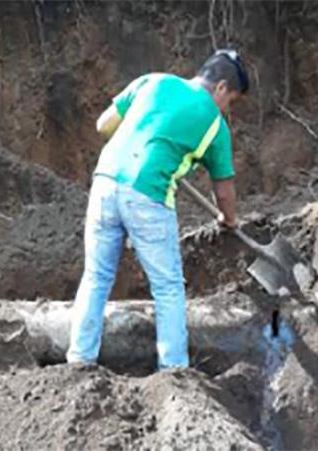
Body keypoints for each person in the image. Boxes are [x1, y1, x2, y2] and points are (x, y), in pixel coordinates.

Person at [66, 49, 249, 370]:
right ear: (220, 87)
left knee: (96, 276)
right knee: (167, 287)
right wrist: (229, 219)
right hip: (148, 195)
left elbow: (103, 125)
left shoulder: (153, 81)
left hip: (105, 182)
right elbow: (224, 187)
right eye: (230, 100)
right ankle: (174, 370)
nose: (226, 108)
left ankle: (80, 360)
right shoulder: (214, 125)